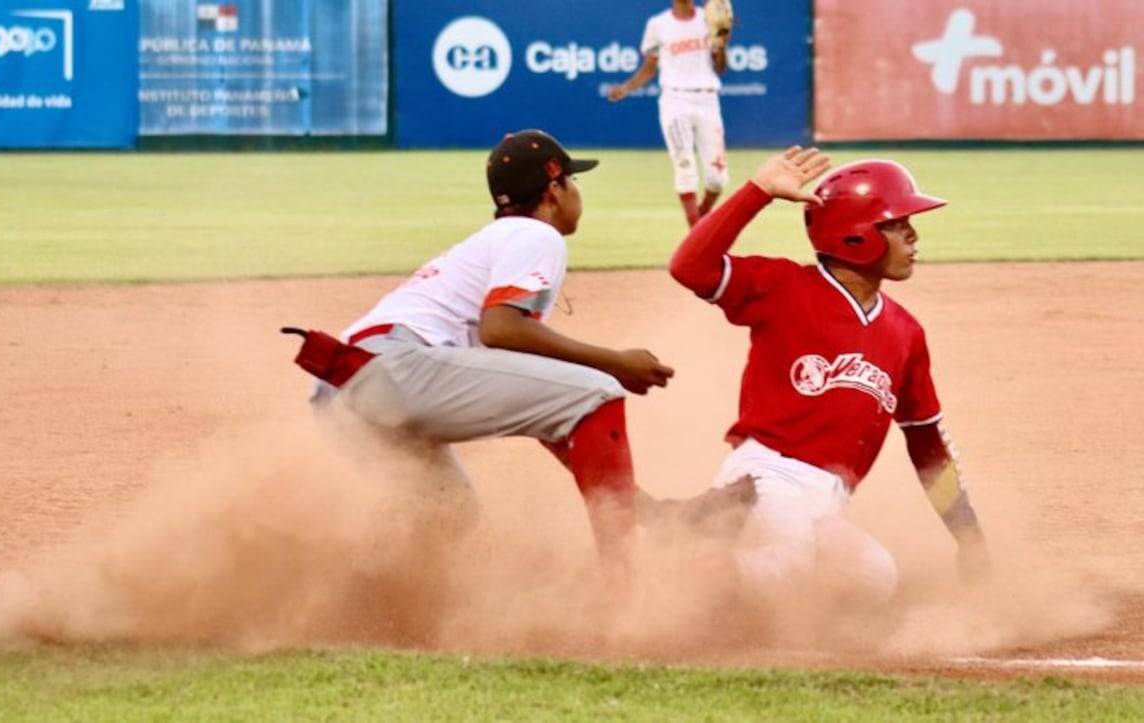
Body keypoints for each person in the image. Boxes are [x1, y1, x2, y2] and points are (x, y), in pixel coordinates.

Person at [282, 129, 675, 566]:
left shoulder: (493, 244)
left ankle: (329, 592)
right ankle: (624, 597)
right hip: (393, 369)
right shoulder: (535, 235)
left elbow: (553, 416)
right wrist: (616, 363)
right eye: (574, 180)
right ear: (554, 187)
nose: (577, 191)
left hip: (339, 393)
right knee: (600, 390)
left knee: (448, 514)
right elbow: (501, 328)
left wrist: (655, 513)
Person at [666, 146, 991, 608]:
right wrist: (757, 192)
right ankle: (670, 565)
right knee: (788, 571)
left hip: (825, 504)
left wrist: (969, 538)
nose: (913, 235)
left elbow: (928, 447)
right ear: (857, 235)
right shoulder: (785, 289)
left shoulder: (905, 332)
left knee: (872, 577)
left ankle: (722, 571)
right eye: (898, 224)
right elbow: (689, 267)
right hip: (766, 476)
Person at [608, 0, 731, 228]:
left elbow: (721, 67)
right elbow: (649, 67)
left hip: (707, 99)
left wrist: (722, 43)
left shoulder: (709, 18)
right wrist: (626, 88)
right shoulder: (658, 24)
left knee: (717, 178)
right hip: (675, 99)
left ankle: (702, 217)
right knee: (684, 166)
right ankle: (696, 232)